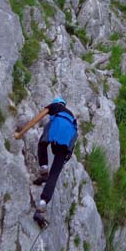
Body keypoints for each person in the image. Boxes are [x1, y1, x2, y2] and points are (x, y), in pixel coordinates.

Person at [14, 97, 78, 227]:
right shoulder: (71, 115)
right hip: (68, 140)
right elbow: (74, 135)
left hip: (57, 129)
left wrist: (20, 134)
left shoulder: (54, 107)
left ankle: (44, 171)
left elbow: (35, 120)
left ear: (56, 103)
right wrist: (67, 155)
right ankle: (41, 207)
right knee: (54, 175)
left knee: (42, 143)